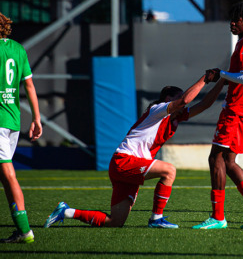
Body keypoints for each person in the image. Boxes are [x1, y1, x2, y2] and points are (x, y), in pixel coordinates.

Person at [44, 70, 224, 229]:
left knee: (114, 221)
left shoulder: (176, 116)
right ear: (168, 100)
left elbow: (204, 105)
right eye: (177, 99)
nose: (183, 104)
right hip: (125, 161)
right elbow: (185, 99)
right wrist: (205, 79)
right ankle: (156, 219)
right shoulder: (158, 110)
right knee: (169, 171)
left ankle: (66, 212)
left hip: (126, 166)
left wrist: (222, 82)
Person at [193, 1, 243, 230]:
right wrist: (236, 77)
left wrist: (222, 74)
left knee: (216, 159)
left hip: (236, 110)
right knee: (228, 162)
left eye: (236, 19)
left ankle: (219, 217)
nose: (232, 22)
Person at [0, 12, 42, 244]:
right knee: (5, 175)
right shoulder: (18, 49)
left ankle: (25, 231)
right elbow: (29, 85)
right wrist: (36, 118)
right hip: (13, 122)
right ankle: (22, 230)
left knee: (8, 174)